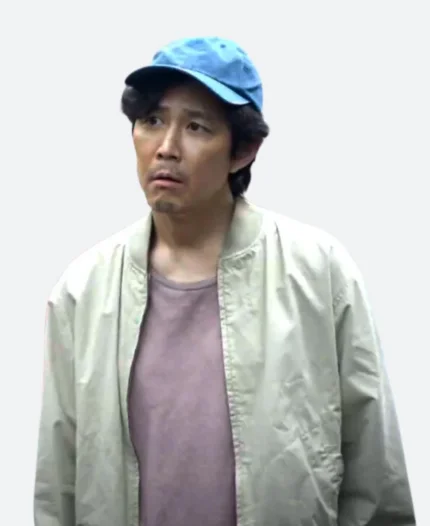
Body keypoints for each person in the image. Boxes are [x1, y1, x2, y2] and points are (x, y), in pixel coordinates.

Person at [34, 36, 416, 526]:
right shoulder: (83, 290)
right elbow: (59, 480)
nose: (166, 148)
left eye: (196, 127)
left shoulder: (319, 273)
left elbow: (375, 471)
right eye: (152, 121)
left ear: (244, 150)